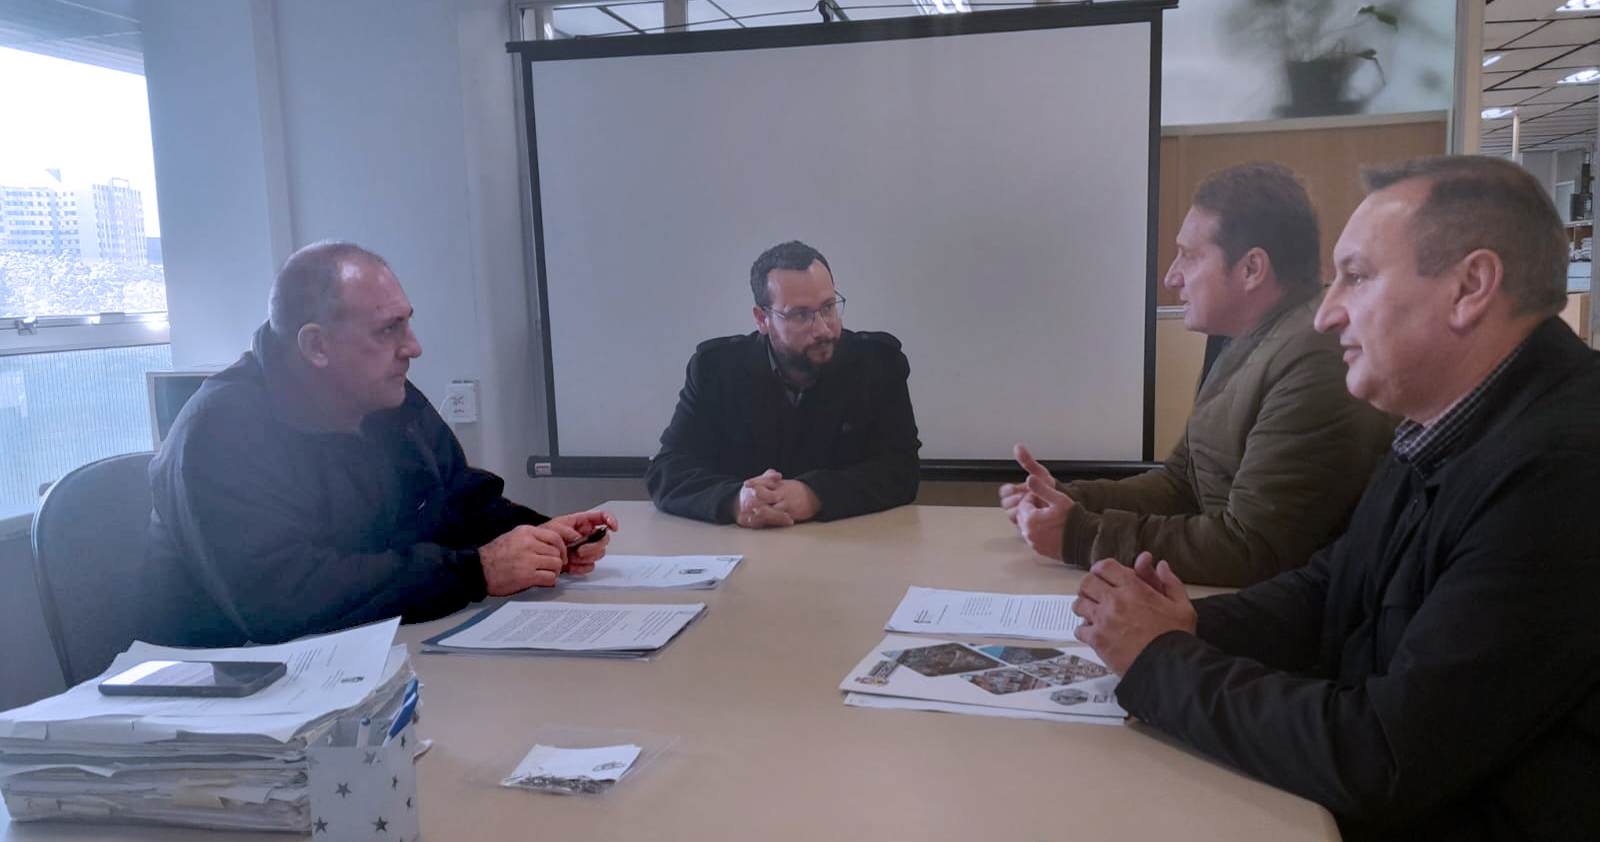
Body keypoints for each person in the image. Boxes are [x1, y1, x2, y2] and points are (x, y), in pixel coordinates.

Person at [1073, 156, 1600, 841]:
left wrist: (1161, 661)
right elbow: (1335, 587)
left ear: (1469, 287)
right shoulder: (1447, 420)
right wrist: (1189, 625)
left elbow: (1383, 756)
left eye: (1356, 276)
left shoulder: (1564, 472)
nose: (1325, 314)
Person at [143, 241, 617, 647]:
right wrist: (476, 571)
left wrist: (542, 535)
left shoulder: (385, 398)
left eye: (406, 324)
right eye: (389, 330)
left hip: (372, 657)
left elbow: (459, 503)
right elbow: (281, 598)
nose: (413, 347)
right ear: (316, 347)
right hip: (240, 691)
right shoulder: (220, 430)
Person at [1002, 162, 1392, 586]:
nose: (1172, 277)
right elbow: (1181, 485)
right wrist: (1068, 498)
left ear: (1251, 269)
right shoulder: (1243, 340)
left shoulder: (1315, 360)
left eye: (1188, 256)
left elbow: (1251, 548)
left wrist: (1079, 534)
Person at [645, 240, 920, 527]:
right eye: (801, 315)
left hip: (851, 542)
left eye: (828, 307)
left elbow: (902, 471)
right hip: (741, 543)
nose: (823, 328)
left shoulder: (878, 364)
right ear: (762, 319)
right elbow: (667, 470)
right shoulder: (715, 370)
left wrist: (814, 494)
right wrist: (734, 501)